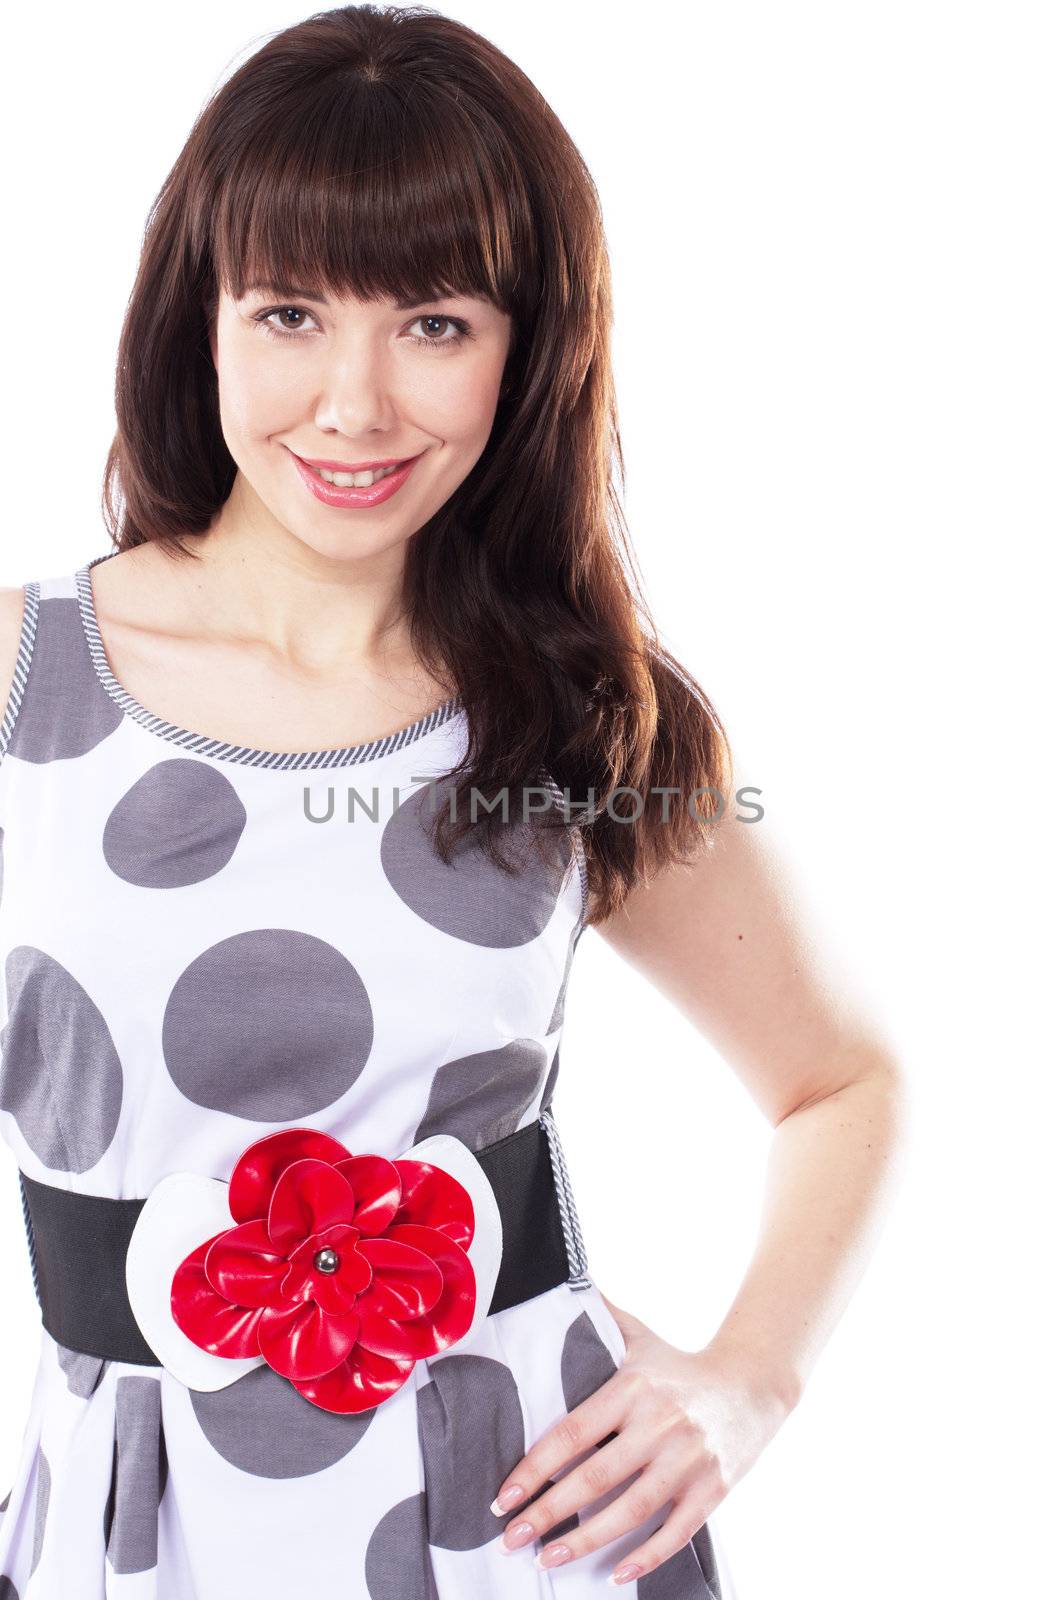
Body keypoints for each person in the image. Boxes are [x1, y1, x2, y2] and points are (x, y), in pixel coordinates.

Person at [0, 5, 909, 1595]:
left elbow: (843, 1080)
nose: (353, 405)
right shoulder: (24, 680)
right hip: (133, 1534)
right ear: (196, 319)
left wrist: (746, 1382)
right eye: (289, 312)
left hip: (524, 1531)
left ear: (526, 343)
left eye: (433, 322)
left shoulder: (578, 708)